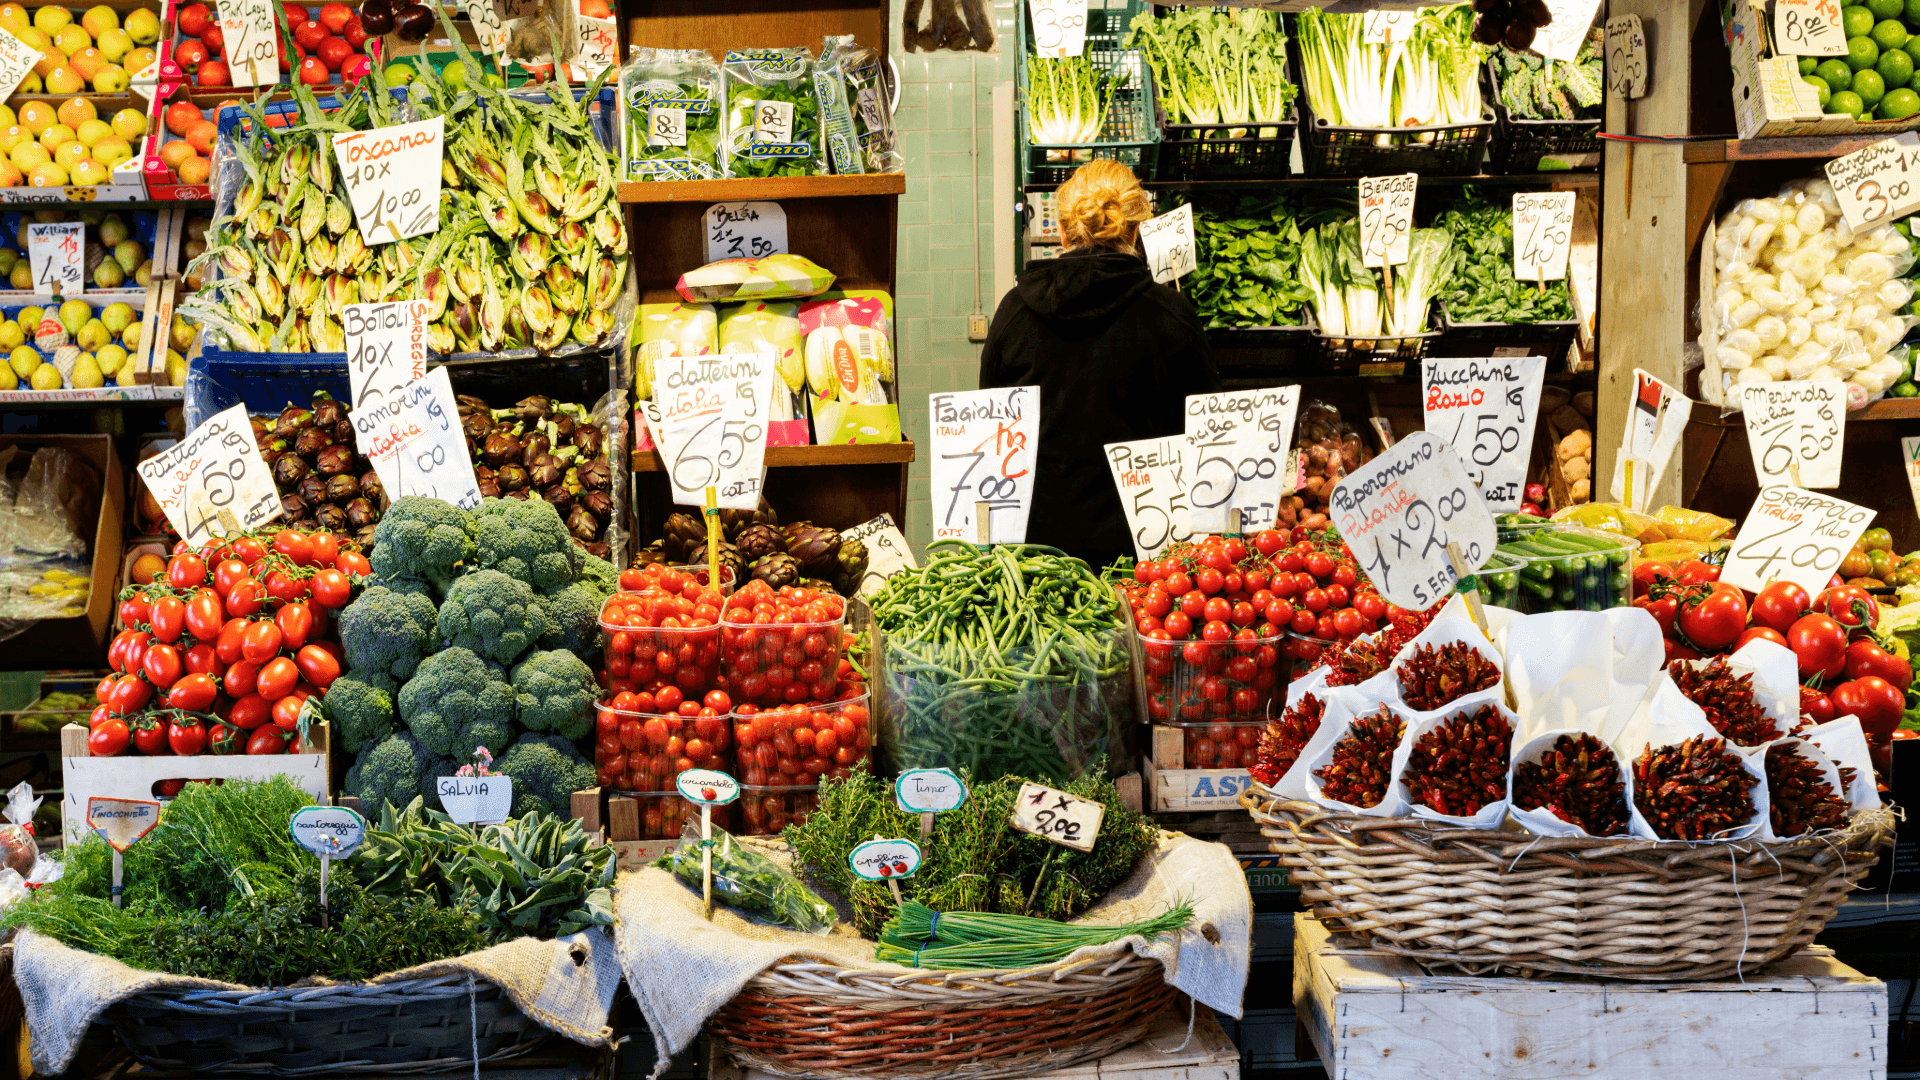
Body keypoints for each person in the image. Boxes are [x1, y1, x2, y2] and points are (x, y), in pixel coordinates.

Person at [977, 158, 1220, 570]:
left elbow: (990, 430)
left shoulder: (1014, 313)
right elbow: (1207, 437)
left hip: (1036, 560)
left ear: (1062, 230)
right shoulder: (1172, 315)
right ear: (1137, 229)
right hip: (1148, 561)